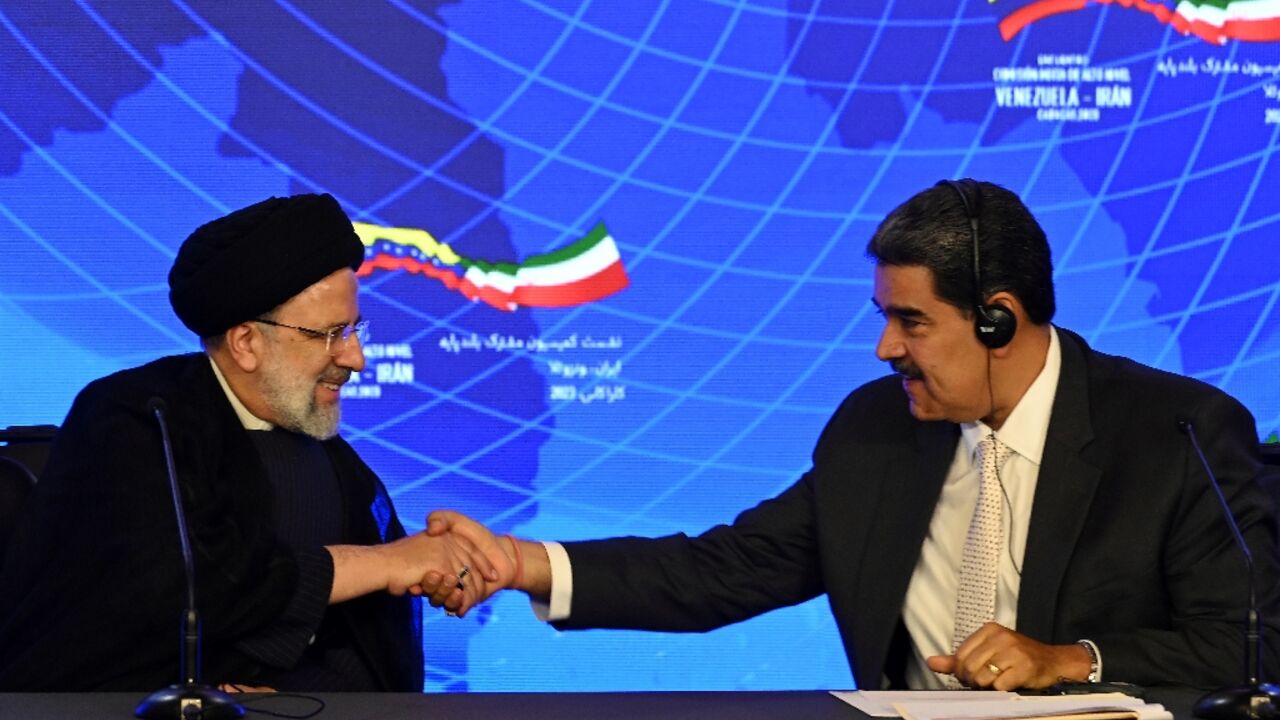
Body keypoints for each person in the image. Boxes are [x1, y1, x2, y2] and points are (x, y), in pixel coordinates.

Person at [426, 179, 1280, 691]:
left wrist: (1069, 659)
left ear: (997, 319)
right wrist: (521, 561)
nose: (885, 349)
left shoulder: (1177, 435)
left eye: (912, 322)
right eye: (884, 318)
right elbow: (726, 569)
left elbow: (1248, 645)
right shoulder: (877, 430)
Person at [0, 194, 499, 692]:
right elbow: (181, 584)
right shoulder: (135, 417)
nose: (356, 358)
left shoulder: (334, 461)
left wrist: (440, 568)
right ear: (246, 343)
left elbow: (370, 637)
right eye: (330, 334)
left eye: (353, 330)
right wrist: (385, 564)